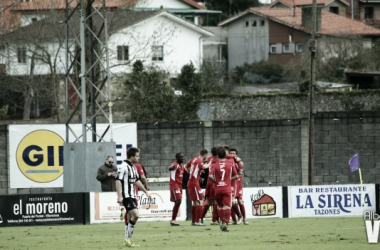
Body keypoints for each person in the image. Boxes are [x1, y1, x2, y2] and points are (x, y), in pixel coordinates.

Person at [116, 147, 151, 247]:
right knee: (136, 215)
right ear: (131, 157)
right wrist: (119, 196)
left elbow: (137, 181)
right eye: (137, 156)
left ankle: (128, 240)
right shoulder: (123, 166)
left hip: (133, 195)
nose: (138, 158)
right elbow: (118, 180)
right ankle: (127, 239)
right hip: (126, 196)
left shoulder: (134, 167)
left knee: (132, 217)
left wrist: (146, 192)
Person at [209, 147, 238, 232]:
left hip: (217, 188)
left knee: (220, 206)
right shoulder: (230, 164)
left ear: (217, 156)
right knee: (228, 206)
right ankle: (226, 222)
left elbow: (210, 176)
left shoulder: (214, 165)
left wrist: (216, 181)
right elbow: (236, 176)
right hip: (227, 188)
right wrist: (228, 180)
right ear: (226, 155)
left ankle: (222, 221)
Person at [185, 149, 209, 226]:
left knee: (195, 202)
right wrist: (211, 162)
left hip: (192, 182)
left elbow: (185, 166)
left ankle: (194, 221)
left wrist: (190, 174)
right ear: (205, 155)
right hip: (194, 183)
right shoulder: (199, 161)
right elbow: (205, 167)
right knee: (200, 201)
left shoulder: (194, 159)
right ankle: (197, 221)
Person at [201, 147, 219, 225]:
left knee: (208, 202)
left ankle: (200, 218)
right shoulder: (219, 160)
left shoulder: (209, 158)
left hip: (208, 181)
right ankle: (214, 220)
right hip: (214, 181)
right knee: (216, 202)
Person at [230, 148, 248, 225]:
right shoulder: (228, 161)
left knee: (239, 200)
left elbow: (241, 174)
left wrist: (235, 177)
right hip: (230, 183)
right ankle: (235, 220)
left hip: (237, 183)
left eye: (234, 153)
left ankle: (244, 219)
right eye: (231, 153)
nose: (232, 155)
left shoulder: (239, 162)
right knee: (231, 201)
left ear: (236, 154)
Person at [169, 153, 187, 226]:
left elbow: (188, 173)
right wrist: (171, 167)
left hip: (179, 186)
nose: (183, 159)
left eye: (183, 157)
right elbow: (170, 167)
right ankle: (173, 220)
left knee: (177, 202)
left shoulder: (182, 166)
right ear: (177, 158)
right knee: (178, 200)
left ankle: (173, 220)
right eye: (181, 157)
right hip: (174, 185)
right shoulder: (175, 164)